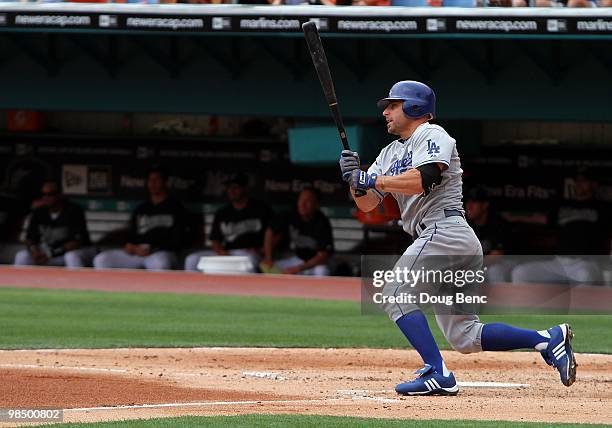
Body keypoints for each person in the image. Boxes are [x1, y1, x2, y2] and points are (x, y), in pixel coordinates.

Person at [339, 80, 576, 396]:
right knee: (465, 336)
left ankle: (438, 374)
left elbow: (425, 179)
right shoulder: (388, 153)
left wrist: (371, 177)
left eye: (393, 105)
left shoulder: (433, 135)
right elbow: (369, 202)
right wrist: (355, 182)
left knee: (395, 292)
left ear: (415, 107)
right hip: (444, 240)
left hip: (446, 233)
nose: (386, 111)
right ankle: (547, 338)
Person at [511, 169, 609, 286]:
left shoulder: (603, 208)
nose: (579, 184)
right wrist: (515, 217)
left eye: (584, 181)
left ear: (594, 184)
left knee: (585, 275)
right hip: (559, 263)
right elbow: (543, 219)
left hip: (586, 263)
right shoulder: (563, 205)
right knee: (521, 273)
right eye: (577, 181)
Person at [94, 166, 188, 271]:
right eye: (150, 180)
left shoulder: (176, 208)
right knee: (102, 259)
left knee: (160, 263)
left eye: (157, 179)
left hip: (161, 253)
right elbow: (131, 234)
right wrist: (131, 246)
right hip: (137, 253)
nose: (153, 183)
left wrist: (154, 248)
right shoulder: (141, 209)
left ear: (165, 182)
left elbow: (179, 240)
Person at [184, 173, 273, 272]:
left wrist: (263, 249)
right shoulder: (223, 213)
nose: (231, 191)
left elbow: (276, 232)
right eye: (229, 188)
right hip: (228, 252)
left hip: (249, 253)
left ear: (245, 188)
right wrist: (222, 252)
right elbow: (215, 239)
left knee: (248, 264)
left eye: (235, 187)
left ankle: (246, 288)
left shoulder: (260, 209)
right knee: (192, 259)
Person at [14, 180, 96, 268]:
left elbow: (76, 242)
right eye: (43, 194)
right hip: (50, 251)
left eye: (50, 194)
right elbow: (30, 238)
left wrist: (50, 254)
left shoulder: (74, 211)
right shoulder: (39, 212)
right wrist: (35, 252)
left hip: (78, 250)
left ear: (60, 195)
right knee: (22, 256)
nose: (46, 197)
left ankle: (77, 282)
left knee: (71, 257)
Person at [261, 188, 334, 276]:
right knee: (268, 267)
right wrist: (268, 257)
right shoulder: (292, 214)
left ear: (316, 205)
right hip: (298, 259)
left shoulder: (322, 222)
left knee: (322, 271)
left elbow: (322, 256)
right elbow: (270, 231)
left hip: (316, 263)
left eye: (307, 201)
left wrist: (298, 268)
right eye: (300, 199)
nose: (302, 204)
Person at [464, 186, 515, 283]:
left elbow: (496, 256)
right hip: (481, 265)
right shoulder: (466, 225)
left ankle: (501, 298)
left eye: (474, 202)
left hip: (505, 262)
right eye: (468, 202)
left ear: (485, 205)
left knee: (495, 272)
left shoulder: (498, 224)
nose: (469, 206)